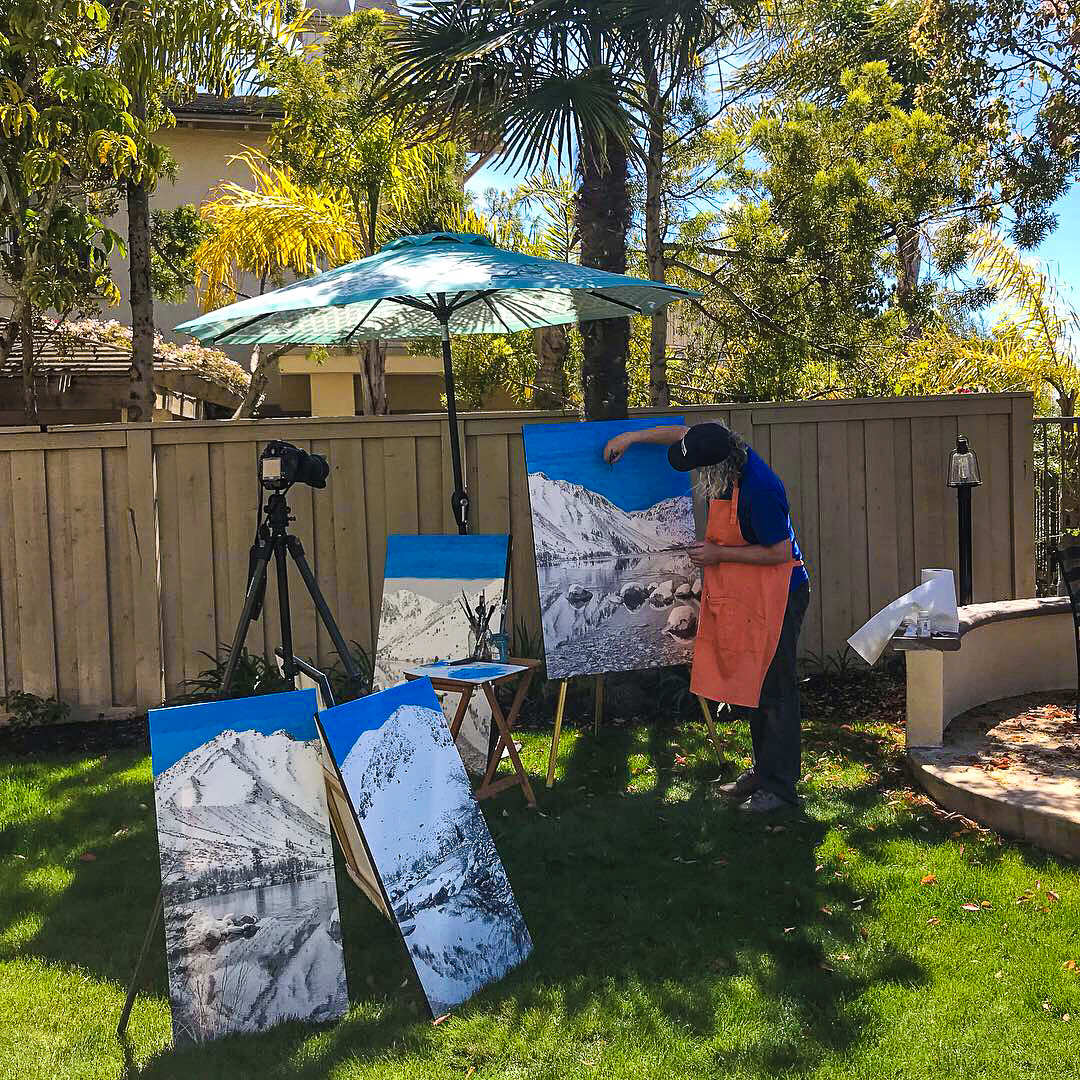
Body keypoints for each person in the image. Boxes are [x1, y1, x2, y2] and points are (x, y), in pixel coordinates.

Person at [604, 422, 810, 812]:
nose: (699, 478)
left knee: (776, 691)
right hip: (752, 596)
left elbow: (780, 553)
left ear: (717, 467)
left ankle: (780, 788)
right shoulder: (720, 445)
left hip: (781, 594)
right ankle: (764, 771)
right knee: (756, 685)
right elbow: (680, 433)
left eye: (700, 471)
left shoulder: (760, 490)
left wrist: (719, 555)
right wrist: (629, 439)